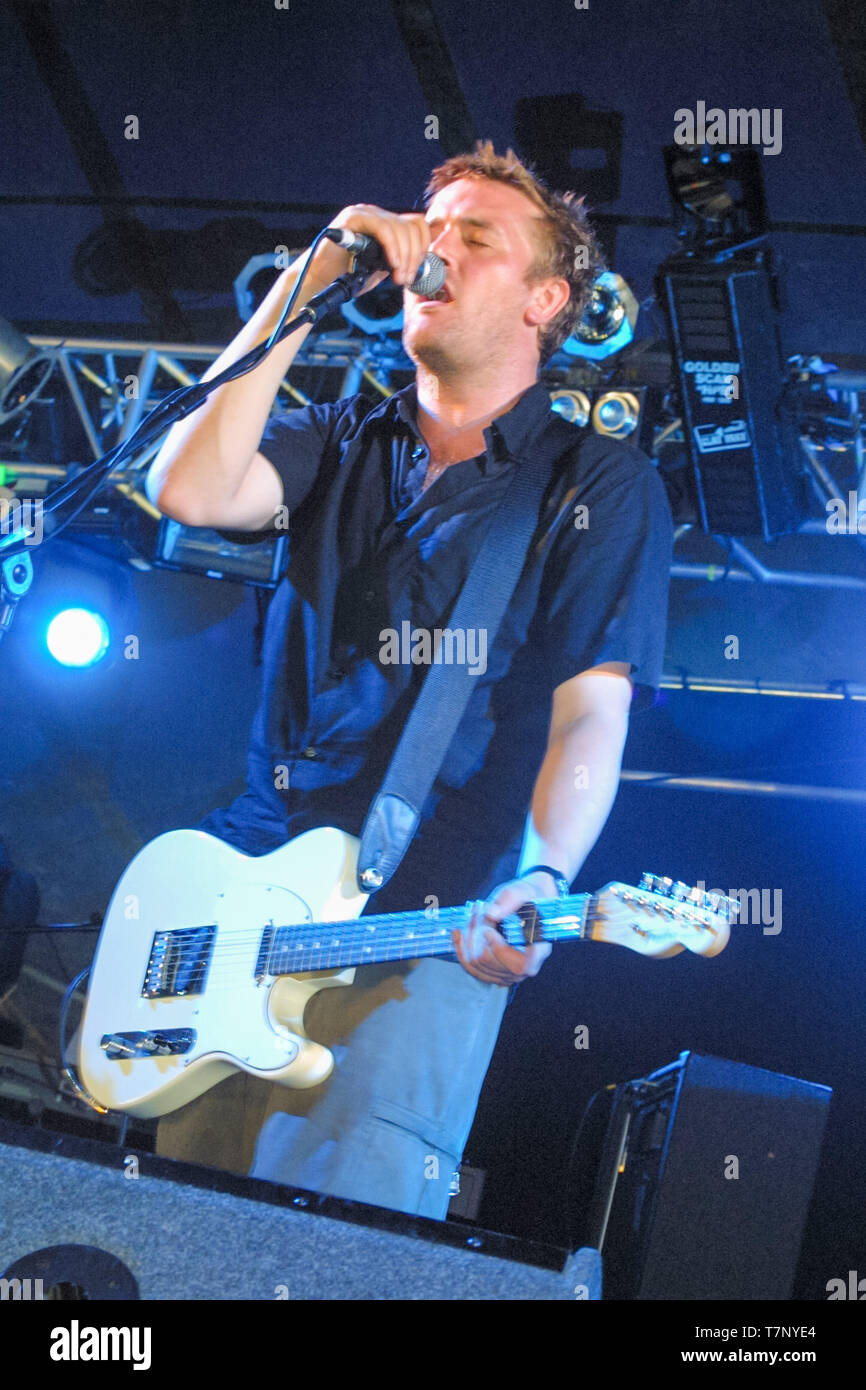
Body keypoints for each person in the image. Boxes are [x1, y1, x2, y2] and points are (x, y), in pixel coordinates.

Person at [145, 141, 673, 1221]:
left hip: (423, 929)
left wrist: (540, 874)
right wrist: (313, 278)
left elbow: (589, 713)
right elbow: (189, 488)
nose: (435, 250)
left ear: (544, 299)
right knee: (174, 1239)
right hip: (241, 898)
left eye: (475, 238)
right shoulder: (338, 437)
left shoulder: (594, 482)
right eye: (430, 229)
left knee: (343, 1250)